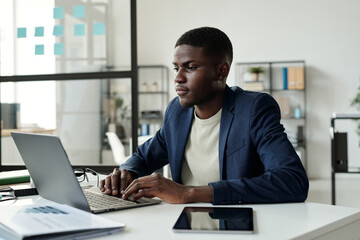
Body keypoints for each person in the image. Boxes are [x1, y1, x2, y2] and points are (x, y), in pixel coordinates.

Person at [100, 27, 309, 205]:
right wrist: (127, 172)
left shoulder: (253, 109)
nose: (178, 78)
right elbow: (144, 157)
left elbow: (292, 181)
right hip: (181, 224)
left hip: (237, 227)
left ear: (221, 71)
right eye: (176, 68)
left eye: (190, 67)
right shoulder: (177, 112)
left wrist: (188, 193)